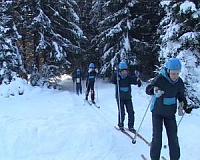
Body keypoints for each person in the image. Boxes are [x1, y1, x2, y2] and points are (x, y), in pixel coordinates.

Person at [145, 58, 193, 160]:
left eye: (177, 73)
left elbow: (181, 97)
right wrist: (154, 90)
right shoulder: (160, 79)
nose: (175, 76)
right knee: (157, 138)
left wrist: (186, 106)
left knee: (173, 138)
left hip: (170, 114)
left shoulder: (179, 82)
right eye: (173, 73)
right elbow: (148, 89)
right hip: (157, 112)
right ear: (168, 71)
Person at [111, 61, 142, 132]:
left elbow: (134, 80)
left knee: (131, 112)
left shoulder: (128, 77)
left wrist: (138, 82)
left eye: (126, 71)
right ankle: (121, 124)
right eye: (123, 71)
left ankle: (131, 126)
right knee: (122, 112)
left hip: (128, 97)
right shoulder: (117, 78)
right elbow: (112, 81)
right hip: (120, 97)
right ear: (120, 71)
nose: (125, 73)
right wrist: (114, 74)